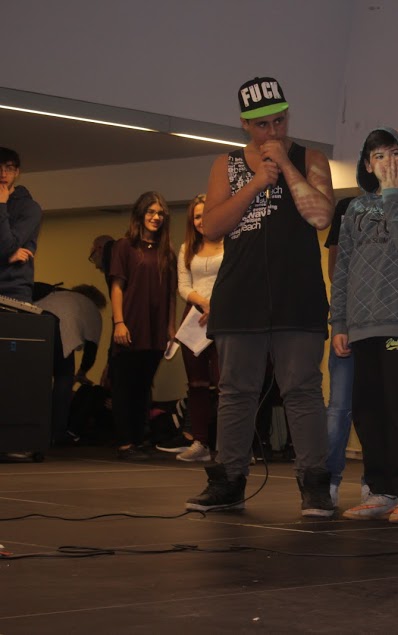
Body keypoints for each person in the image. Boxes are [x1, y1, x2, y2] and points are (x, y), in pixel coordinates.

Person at [184, 77, 336, 517]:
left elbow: (321, 217)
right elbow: (212, 227)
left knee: (302, 389)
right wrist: (254, 183)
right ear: (245, 125)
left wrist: (285, 165)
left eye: (280, 120)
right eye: (263, 124)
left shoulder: (310, 158)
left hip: (298, 294)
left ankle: (314, 486)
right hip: (240, 294)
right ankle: (228, 482)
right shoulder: (227, 164)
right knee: (236, 391)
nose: (273, 130)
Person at [330, 127, 398, 525]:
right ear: (367, 164)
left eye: (393, 153)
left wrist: (393, 195)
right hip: (361, 326)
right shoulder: (355, 209)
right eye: (378, 156)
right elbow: (343, 268)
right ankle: (379, 490)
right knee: (367, 411)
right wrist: (339, 321)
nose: (386, 162)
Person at [109, 191, 178, 460]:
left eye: (160, 213)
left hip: (156, 330)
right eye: (151, 212)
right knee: (124, 387)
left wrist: (170, 328)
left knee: (143, 386)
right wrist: (119, 322)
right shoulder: (124, 246)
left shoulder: (167, 252)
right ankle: (124, 443)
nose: (156, 217)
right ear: (140, 214)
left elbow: (171, 294)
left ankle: (138, 440)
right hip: (129, 326)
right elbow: (117, 286)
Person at [324, 195, 370, 506]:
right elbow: (335, 270)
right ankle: (329, 481)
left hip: (384, 324)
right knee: (339, 407)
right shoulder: (347, 206)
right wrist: (341, 321)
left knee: (377, 408)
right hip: (349, 320)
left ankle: (375, 481)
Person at [172, 193, 222, 462]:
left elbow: (236, 280)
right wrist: (203, 304)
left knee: (227, 384)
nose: (202, 221)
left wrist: (216, 307)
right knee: (197, 384)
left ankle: (230, 445)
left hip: (224, 318)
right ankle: (200, 442)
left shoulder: (231, 243)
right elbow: (183, 286)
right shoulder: (186, 248)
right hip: (194, 319)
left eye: (206, 214)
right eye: (197, 217)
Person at [35, 284, 108, 444]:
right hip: (60, 330)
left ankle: (31, 429)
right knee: (63, 377)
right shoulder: (91, 308)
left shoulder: (57, 293)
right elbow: (91, 350)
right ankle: (57, 434)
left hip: (33, 323)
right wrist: (82, 372)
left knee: (34, 379)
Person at [0, 147, 42, 302]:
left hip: (13, 290)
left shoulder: (29, 208)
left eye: (9, 168)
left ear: (17, 172)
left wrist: (1, 204)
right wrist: (7, 257)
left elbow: (8, 246)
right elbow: (8, 251)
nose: (3, 174)